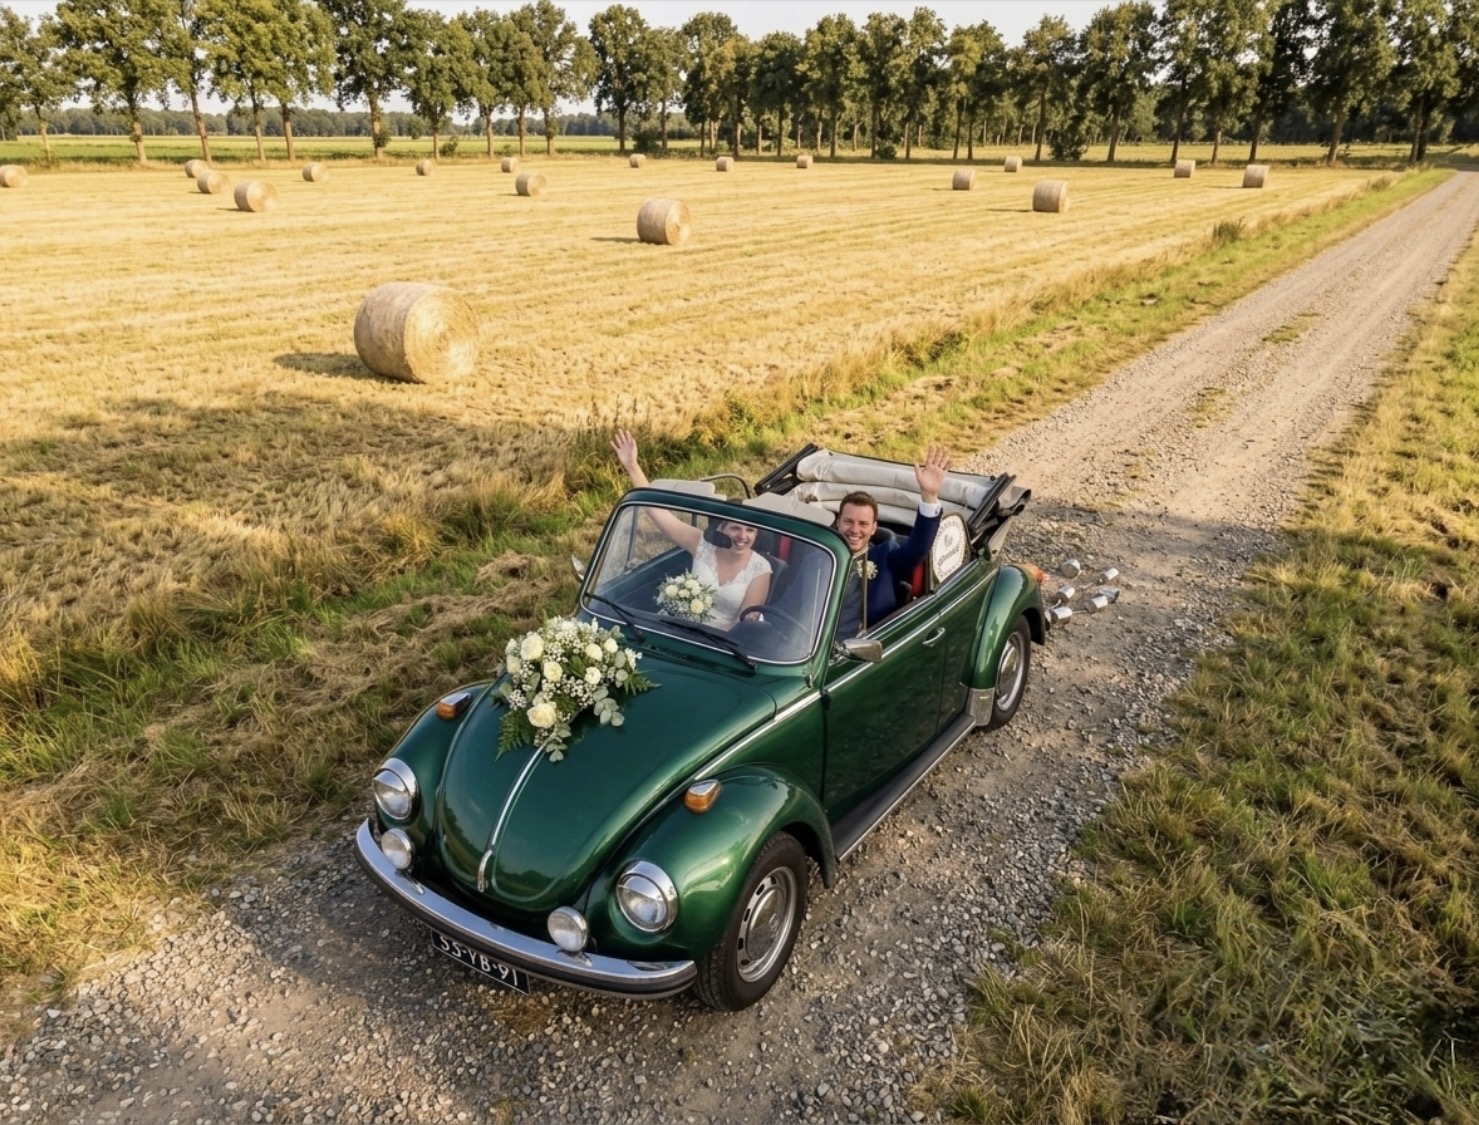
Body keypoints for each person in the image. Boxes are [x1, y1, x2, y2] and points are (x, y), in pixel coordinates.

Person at [611, 430, 771, 629]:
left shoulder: (760, 568)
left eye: (750, 530)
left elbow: (745, 622)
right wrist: (632, 466)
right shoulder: (702, 544)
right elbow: (659, 514)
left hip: (723, 644)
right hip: (676, 627)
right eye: (735, 528)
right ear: (721, 527)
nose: (742, 536)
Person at [834, 447, 951, 637]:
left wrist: (929, 496)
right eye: (848, 521)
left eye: (863, 524)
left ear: (873, 528)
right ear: (838, 522)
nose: (855, 530)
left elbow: (918, 547)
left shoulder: (886, 556)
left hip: (866, 650)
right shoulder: (821, 557)